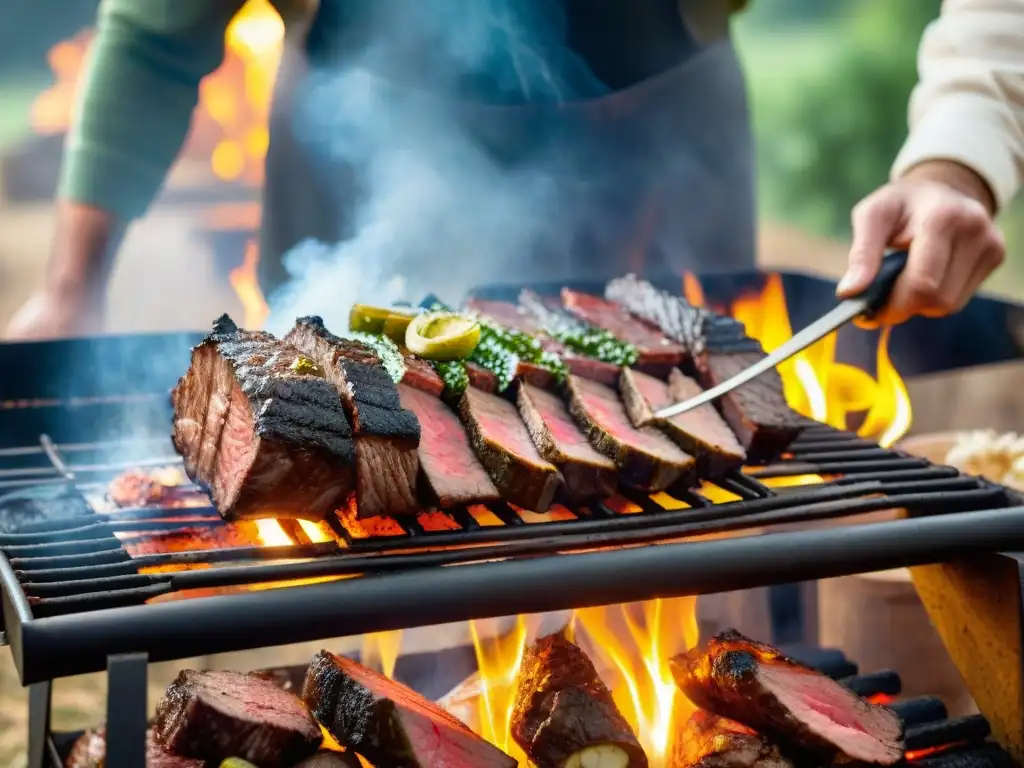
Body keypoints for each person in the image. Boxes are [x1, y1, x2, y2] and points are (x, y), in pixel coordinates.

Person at [2, 0, 1019, 340]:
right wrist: (70, 291)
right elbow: (154, 35)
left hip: (659, 145)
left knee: (685, 539)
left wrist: (958, 156)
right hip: (357, 156)